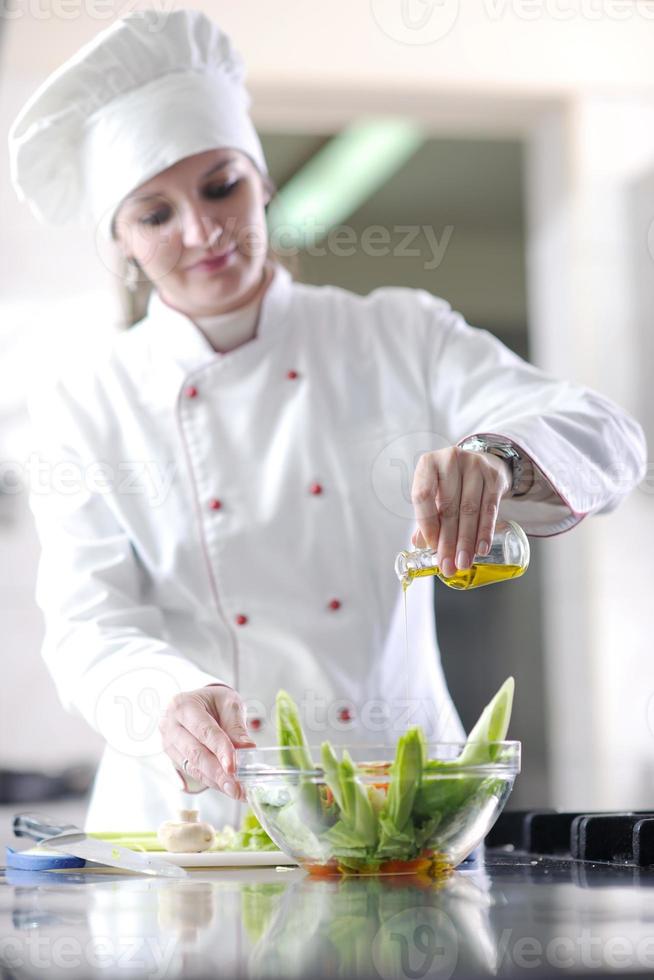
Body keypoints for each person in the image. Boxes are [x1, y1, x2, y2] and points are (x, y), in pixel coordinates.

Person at [8, 9, 646, 832]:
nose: (201, 231)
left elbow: (609, 435)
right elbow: (90, 622)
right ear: (122, 245)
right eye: (154, 214)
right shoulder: (86, 400)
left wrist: (498, 458)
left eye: (220, 184)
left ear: (263, 182)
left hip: (407, 816)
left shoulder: (397, 331)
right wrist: (167, 699)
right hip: (196, 824)